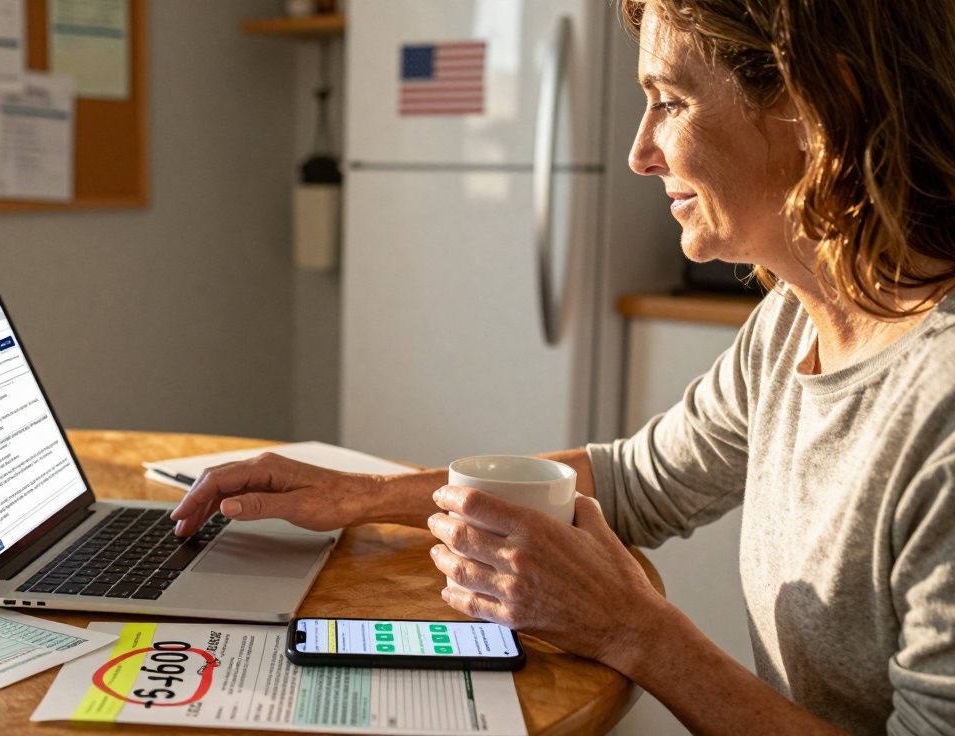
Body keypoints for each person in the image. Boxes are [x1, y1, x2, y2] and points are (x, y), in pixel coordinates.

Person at [172, 0, 955, 732]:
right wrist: (364, 495)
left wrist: (635, 633)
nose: (639, 152)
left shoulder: (941, 415)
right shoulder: (793, 321)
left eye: (670, 101)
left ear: (820, 104)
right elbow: (635, 484)